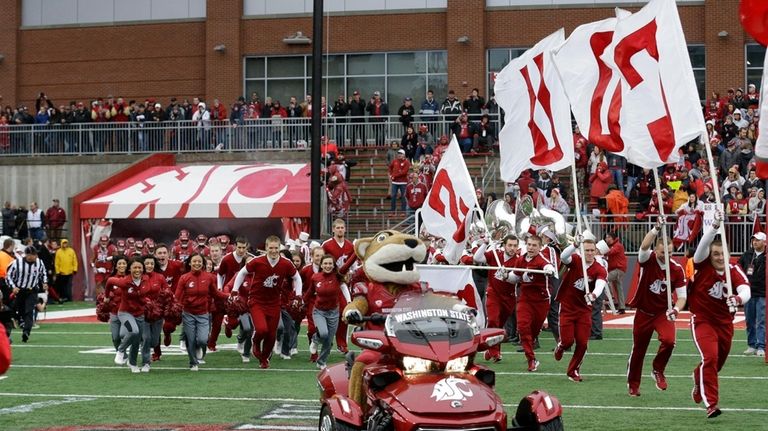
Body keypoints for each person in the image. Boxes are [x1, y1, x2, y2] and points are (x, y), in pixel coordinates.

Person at [689, 211, 751, 418]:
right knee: (710, 357)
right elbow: (700, 249)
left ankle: (698, 375)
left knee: (717, 364)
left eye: (721, 254)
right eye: (715, 253)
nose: (718, 257)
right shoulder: (702, 264)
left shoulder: (733, 268)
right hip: (703, 320)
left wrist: (738, 299)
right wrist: (714, 225)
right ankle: (711, 405)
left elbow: (746, 289)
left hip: (725, 323)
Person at [626, 218, 687, 396]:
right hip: (644, 312)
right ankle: (633, 383)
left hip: (662, 313)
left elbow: (682, 297)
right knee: (639, 350)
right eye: (662, 252)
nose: (665, 255)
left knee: (669, 341)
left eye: (669, 252)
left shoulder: (676, 269)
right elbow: (644, 247)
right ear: (657, 250)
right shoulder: (648, 259)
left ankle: (658, 369)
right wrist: (655, 229)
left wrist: (676, 310)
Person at [231, 236, 302, 369]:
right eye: (271, 248)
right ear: (266, 248)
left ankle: (264, 359)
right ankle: (255, 341)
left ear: (279, 247)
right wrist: (235, 290)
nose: (273, 251)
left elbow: (297, 277)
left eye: (276, 248)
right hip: (256, 301)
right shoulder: (258, 261)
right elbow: (242, 273)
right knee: (262, 329)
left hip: (274, 302)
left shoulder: (286, 263)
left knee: (271, 335)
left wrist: (298, 295)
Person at [554, 235, 607, 382]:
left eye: (592, 250)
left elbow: (600, 284)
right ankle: (561, 346)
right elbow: (564, 257)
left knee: (583, 343)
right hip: (567, 307)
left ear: (596, 251)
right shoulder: (576, 260)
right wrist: (574, 245)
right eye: (586, 250)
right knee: (568, 341)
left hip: (584, 310)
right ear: (581, 251)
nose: (589, 253)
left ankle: (573, 370)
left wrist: (594, 295)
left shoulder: (599, 268)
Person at [507, 234, 556, 372]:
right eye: (529, 244)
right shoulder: (521, 260)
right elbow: (515, 277)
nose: (531, 247)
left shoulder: (542, 260)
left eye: (534, 245)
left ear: (540, 247)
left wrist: (548, 270)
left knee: (533, 331)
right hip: (525, 299)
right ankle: (531, 359)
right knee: (523, 327)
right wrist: (505, 276)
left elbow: (548, 266)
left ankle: (532, 344)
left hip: (541, 301)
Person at [175, 253, 227, 371]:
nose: (197, 263)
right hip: (188, 313)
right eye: (194, 261)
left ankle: (199, 348)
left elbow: (215, 293)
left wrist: (228, 296)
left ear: (203, 263)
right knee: (191, 338)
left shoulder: (209, 277)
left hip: (203, 313)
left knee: (203, 340)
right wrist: (173, 307)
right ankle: (193, 362)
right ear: (189, 263)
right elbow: (177, 297)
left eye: (199, 261)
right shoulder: (184, 278)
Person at [473, 234, 520, 362]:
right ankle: (495, 352)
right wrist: (485, 243)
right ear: (504, 245)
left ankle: (491, 350)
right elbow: (477, 258)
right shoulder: (495, 254)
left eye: (515, 246)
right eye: (509, 245)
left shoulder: (519, 260)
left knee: (499, 325)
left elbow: (516, 279)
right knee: (493, 320)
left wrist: (507, 276)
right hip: (493, 293)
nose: (512, 248)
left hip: (509, 297)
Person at [303, 254, 351, 370]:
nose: (328, 266)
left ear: (334, 265)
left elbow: (347, 266)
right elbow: (310, 292)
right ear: (321, 265)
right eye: (325, 263)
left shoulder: (337, 276)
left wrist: (349, 302)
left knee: (328, 341)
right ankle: (315, 340)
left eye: (330, 263)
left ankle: (321, 361)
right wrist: (301, 302)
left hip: (334, 312)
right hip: (319, 311)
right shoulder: (315, 277)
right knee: (323, 333)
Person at [322, 219, 357, 353]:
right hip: (329, 281)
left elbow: (353, 265)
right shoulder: (327, 245)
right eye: (338, 228)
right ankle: (325, 340)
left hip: (342, 283)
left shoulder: (350, 245)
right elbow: (321, 262)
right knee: (327, 312)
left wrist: (351, 274)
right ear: (333, 229)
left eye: (342, 227)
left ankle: (341, 343)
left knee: (344, 311)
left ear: (345, 229)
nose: (340, 230)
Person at [112, 258, 148, 373]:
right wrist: (107, 296)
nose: (137, 270)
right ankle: (121, 351)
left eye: (139, 267)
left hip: (140, 314)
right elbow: (109, 282)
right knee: (133, 331)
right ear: (130, 269)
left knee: (136, 342)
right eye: (135, 267)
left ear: (143, 269)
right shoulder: (124, 281)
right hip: (125, 313)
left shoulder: (146, 280)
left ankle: (132, 363)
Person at [6, 246, 48, 343]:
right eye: (32, 255)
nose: (34, 257)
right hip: (20, 290)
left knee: (29, 311)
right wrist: (13, 287)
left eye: (35, 255)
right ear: (27, 255)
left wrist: (44, 282)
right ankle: (20, 322)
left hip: (32, 290)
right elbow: (8, 275)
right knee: (20, 310)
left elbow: (43, 273)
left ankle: (26, 332)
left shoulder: (39, 262)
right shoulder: (17, 263)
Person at [738, 231, 765, 357]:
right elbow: (739, 269)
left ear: (764, 242)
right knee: (749, 320)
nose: (754, 242)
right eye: (753, 239)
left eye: (758, 240)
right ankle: (751, 344)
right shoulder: (747, 255)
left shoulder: (766, 256)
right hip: (748, 292)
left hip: (763, 293)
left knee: (761, 320)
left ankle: (761, 345)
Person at [142, 254, 169, 365]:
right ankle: (146, 362)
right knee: (146, 338)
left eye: (152, 263)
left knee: (154, 341)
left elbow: (167, 292)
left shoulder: (160, 277)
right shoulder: (139, 276)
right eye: (147, 263)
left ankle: (141, 340)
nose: (149, 266)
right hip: (142, 312)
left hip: (158, 314)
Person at [604, 232, 628, 314]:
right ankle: (622, 307)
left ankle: (611, 296)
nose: (606, 239)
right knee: (618, 288)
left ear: (612, 238)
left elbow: (610, 252)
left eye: (608, 237)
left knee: (604, 278)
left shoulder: (618, 246)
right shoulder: (614, 245)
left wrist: (599, 250)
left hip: (618, 269)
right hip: (617, 269)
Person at [389, 149, 410, 214]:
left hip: (403, 182)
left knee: (403, 197)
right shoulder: (394, 161)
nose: (399, 155)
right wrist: (390, 174)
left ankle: (403, 211)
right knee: (393, 196)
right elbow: (390, 167)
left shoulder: (407, 162)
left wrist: (394, 175)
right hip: (395, 182)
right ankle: (392, 211)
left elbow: (404, 172)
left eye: (401, 154)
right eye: (398, 153)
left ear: (404, 155)